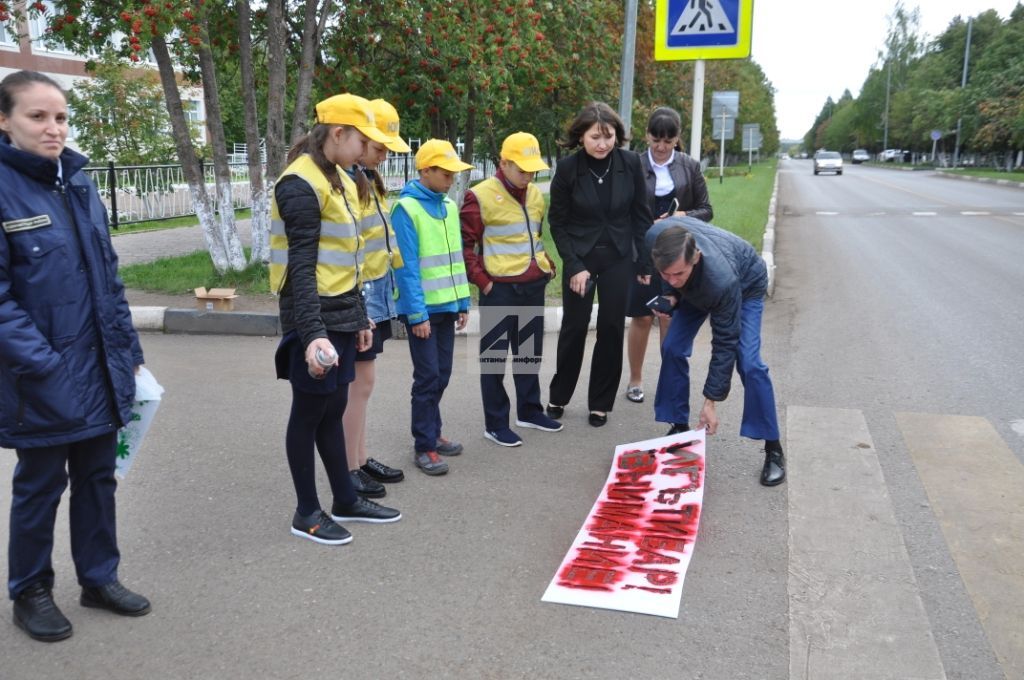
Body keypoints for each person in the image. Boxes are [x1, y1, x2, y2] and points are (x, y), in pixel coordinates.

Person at [0, 70, 149, 642]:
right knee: (39, 485)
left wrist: (128, 350)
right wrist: (43, 363)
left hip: (100, 363)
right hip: (38, 374)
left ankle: (99, 577)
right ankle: (30, 590)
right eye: (37, 116)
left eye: (60, 117)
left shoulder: (80, 183)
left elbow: (107, 279)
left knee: (98, 476)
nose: (53, 128)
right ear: (6, 121)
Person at [271, 93, 401, 546]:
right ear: (339, 134)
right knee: (308, 412)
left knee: (334, 408)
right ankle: (307, 511)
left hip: (344, 310)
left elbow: (351, 257)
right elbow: (302, 269)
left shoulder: (341, 177)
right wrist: (311, 336)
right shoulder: (299, 184)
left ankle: (345, 498)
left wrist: (361, 317)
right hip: (314, 316)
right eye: (361, 140)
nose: (366, 150)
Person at [646, 219, 785, 486]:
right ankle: (678, 427)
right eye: (667, 274)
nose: (672, 279)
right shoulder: (655, 239)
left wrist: (710, 403)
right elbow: (668, 272)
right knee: (673, 347)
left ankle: (773, 448)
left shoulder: (722, 281)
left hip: (745, 285)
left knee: (749, 362)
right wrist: (671, 294)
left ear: (695, 258)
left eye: (679, 274)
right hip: (697, 288)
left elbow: (725, 342)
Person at [546, 102, 653, 427]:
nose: (602, 143)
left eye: (608, 137)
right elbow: (558, 222)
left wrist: (644, 262)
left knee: (610, 328)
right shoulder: (567, 169)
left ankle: (600, 403)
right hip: (581, 257)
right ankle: (559, 395)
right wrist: (575, 264)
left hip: (619, 256)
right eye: (595, 137)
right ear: (581, 136)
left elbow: (641, 215)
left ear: (617, 136)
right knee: (574, 328)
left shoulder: (630, 163)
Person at [461, 132, 563, 447]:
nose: (528, 176)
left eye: (532, 170)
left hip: (533, 284)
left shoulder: (534, 194)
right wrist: (484, 283)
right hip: (499, 289)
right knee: (493, 360)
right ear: (503, 163)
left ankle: (529, 410)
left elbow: (533, 236)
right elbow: (465, 247)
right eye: (521, 169)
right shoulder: (478, 196)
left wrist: (544, 262)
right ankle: (495, 423)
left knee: (529, 354)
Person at [391, 139, 472, 475]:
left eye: (454, 172)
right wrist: (416, 313)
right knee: (427, 377)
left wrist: (464, 301)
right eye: (445, 172)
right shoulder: (406, 209)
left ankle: (433, 433)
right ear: (425, 170)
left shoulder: (449, 207)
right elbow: (406, 267)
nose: (452, 178)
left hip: (448, 305)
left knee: (442, 374)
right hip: (423, 311)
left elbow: (456, 260)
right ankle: (424, 445)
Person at [342, 99, 409, 498]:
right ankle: (348, 466)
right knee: (358, 383)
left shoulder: (366, 178)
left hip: (376, 292)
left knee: (364, 382)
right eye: (380, 147)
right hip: (358, 294)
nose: (384, 156)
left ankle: (360, 457)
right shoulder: (346, 182)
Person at [625, 107, 713, 405]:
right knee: (640, 316)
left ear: (677, 138)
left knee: (668, 316)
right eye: (655, 140)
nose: (661, 147)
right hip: (641, 250)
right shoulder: (633, 164)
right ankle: (635, 379)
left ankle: (668, 379)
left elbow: (707, 209)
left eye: (669, 140)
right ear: (647, 135)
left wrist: (683, 214)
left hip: (676, 253)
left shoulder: (689, 166)